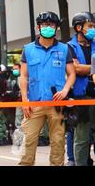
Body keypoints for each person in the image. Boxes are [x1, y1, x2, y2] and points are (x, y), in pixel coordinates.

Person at [19, 11, 76, 166]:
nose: (48, 27)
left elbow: (71, 74)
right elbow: (23, 76)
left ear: (56, 28)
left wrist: (65, 90)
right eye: (44, 25)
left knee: (58, 143)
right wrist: (24, 100)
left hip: (57, 104)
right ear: (39, 27)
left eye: (51, 24)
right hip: (34, 104)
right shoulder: (28, 49)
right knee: (28, 141)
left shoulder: (64, 49)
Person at [67, 12, 95, 166]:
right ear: (79, 27)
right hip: (82, 98)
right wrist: (94, 68)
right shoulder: (70, 47)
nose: (93, 29)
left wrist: (86, 68)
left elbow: (81, 68)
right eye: (89, 26)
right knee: (82, 137)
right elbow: (75, 68)